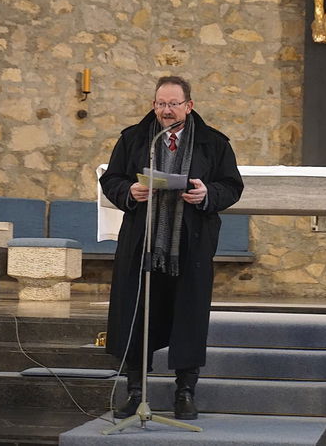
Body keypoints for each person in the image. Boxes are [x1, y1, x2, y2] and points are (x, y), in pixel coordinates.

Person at [100, 76, 244, 420]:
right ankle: (136, 390)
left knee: (189, 317)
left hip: (189, 245)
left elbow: (232, 185)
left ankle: (185, 392)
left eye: (173, 104)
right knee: (138, 314)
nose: (166, 110)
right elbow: (111, 179)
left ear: (189, 106)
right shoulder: (134, 138)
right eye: (160, 104)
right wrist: (128, 193)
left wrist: (206, 193)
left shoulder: (212, 142)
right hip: (143, 243)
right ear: (154, 104)